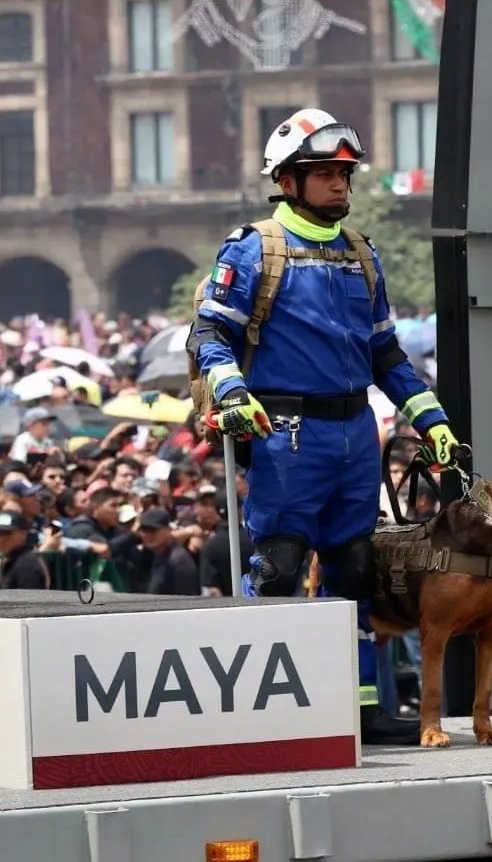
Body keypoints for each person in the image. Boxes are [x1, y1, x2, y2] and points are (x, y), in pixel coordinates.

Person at [192, 108, 459, 746]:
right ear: (288, 180)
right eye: (324, 174)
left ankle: (359, 705)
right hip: (284, 430)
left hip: (355, 432)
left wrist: (433, 419)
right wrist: (230, 392)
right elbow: (210, 333)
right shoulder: (253, 248)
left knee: (356, 567)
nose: (341, 185)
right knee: (281, 565)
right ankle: (265, 712)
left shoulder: (362, 254)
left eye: (345, 173)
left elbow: (386, 355)